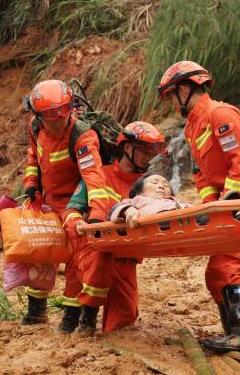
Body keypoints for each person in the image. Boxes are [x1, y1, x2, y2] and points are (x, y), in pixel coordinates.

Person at [156, 61, 240, 353]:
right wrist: (210, 209)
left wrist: (230, 203)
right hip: (224, 210)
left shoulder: (220, 114)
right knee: (215, 275)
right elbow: (202, 175)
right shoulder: (192, 128)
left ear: (184, 90)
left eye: (172, 96)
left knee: (225, 268)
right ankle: (234, 334)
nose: (172, 104)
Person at [61, 121, 167, 335]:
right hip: (93, 251)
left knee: (122, 326)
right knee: (98, 263)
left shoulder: (147, 186)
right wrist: (78, 223)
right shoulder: (100, 176)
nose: (149, 157)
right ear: (127, 148)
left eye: (151, 152)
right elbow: (71, 210)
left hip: (127, 259)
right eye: (145, 151)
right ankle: (85, 319)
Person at [21, 79, 110, 329]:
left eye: (62, 114)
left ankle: (71, 318)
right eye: (50, 117)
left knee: (75, 259)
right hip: (47, 201)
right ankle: (36, 312)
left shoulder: (83, 135)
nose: (57, 121)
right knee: (40, 255)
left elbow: (94, 177)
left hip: (74, 204)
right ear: (39, 116)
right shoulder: (35, 127)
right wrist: (30, 184)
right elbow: (33, 155)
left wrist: (96, 215)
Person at [110, 174, 190, 228]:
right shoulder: (137, 199)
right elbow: (116, 208)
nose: (161, 186)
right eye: (154, 183)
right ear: (139, 191)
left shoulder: (176, 201)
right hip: (156, 222)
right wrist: (128, 210)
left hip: (187, 219)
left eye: (166, 185)